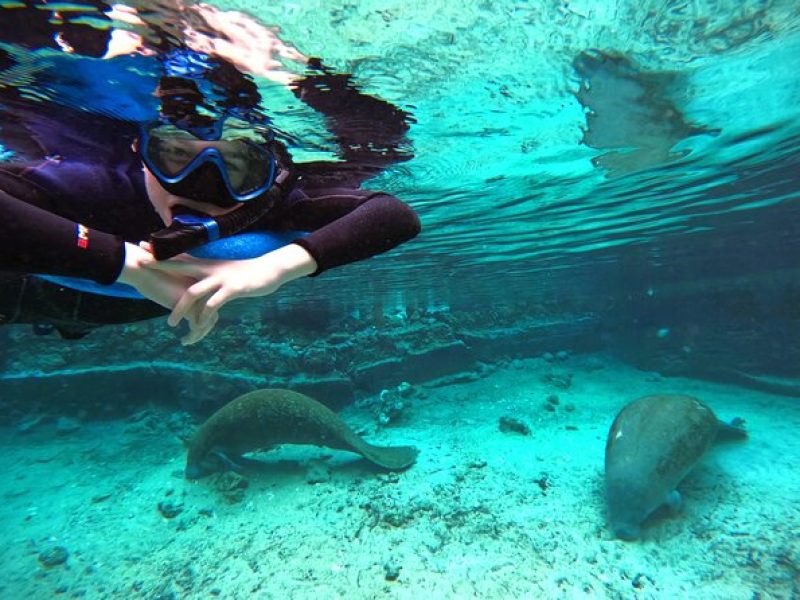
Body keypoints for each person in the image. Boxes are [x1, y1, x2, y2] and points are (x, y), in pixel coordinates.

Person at [0, 11, 421, 345]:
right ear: (141, 155)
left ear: (271, 172)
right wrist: (131, 267)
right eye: (174, 157)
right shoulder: (87, 184)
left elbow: (393, 215)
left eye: (238, 166)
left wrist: (272, 269)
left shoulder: (273, 203)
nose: (203, 185)